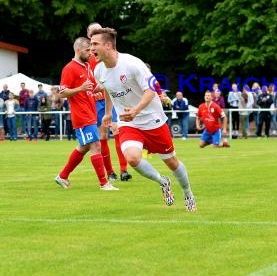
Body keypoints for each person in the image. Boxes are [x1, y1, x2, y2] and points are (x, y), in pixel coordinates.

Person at [90, 27, 197, 211]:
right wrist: (108, 113)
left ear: (108, 45)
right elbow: (108, 88)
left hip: (152, 119)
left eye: (95, 44)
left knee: (171, 161)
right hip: (128, 122)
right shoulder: (99, 70)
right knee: (132, 158)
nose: (91, 49)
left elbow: (151, 90)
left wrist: (136, 110)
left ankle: (188, 193)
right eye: (90, 44)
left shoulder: (132, 64)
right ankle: (162, 181)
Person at [54, 37, 118, 191]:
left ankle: (62, 176)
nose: (90, 53)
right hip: (81, 115)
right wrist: (80, 89)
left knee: (84, 147)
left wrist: (104, 86)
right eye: (87, 50)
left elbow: (92, 88)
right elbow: (62, 93)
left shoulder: (87, 66)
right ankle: (104, 183)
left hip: (91, 112)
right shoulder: (69, 68)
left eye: (91, 49)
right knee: (96, 145)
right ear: (78, 50)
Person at [87, 22, 131, 182]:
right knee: (103, 135)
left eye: (98, 31)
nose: (95, 34)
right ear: (88, 36)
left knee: (117, 129)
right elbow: (86, 83)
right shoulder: (88, 58)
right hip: (96, 102)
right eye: (93, 33)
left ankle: (124, 169)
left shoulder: (109, 54)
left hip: (111, 99)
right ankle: (110, 171)